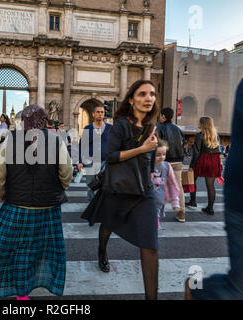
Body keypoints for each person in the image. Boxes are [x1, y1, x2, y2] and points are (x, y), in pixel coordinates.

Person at [186, 64, 243, 300]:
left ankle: (196, 203)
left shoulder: (201, 135)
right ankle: (210, 207)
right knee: (242, 291)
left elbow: (196, 150)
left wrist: (192, 166)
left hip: (205, 161)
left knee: (202, 185)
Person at [0, 104, 73, 300]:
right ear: (45, 121)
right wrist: (60, 188)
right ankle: (38, 281)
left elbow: (1, 174)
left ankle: (20, 291)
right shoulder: (57, 141)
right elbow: (66, 173)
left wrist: (3, 193)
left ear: (24, 121)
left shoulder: (11, 140)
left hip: (17, 204)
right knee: (42, 249)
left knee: (17, 248)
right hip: (48, 207)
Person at [81, 80, 159, 300]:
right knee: (107, 226)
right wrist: (141, 149)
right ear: (132, 99)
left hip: (144, 191)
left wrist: (151, 169)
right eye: (142, 94)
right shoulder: (121, 125)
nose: (148, 98)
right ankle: (102, 251)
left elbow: (150, 156)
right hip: (119, 187)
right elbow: (111, 156)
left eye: (152, 94)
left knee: (150, 244)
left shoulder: (152, 126)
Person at [186, 116, 222, 215]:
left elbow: (196, 152)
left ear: (202, 124)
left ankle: (193, 201)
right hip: (214, 160)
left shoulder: (199, 135)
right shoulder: (216, 135)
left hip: (203, 159)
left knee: (192, 180)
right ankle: (210, 208)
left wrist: (192, 166)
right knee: (210, 186)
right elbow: (219, 150)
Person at [78, 105, 112, 201]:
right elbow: (81, 145)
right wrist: (80, 161)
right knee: (90, 186)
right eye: (98, 112)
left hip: (106, 161)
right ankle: (91, 206)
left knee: (105, 185)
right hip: (90, 161)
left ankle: (100, 206)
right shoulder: (88, 128)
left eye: (102, 112)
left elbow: (114, 144)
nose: (100, 114)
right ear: (93, 114)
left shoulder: (110, 128)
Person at [157, 107, 186, 222]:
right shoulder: (178, 129)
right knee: (178, 187)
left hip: (164, 161)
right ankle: (181, 213)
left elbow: (158, 145)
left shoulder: (160, 128)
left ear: (163, 116)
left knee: (157, 186)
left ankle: (156, 212)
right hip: (178, 161)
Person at [152, 139, 181, 229]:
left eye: (164, 154)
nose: (161, 157)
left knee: (154, 224)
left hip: (159, 200)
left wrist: (175, 203)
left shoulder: (167, 166)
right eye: (158, 155)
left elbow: (173, 184)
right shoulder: (147, 165)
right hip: (147, 200)